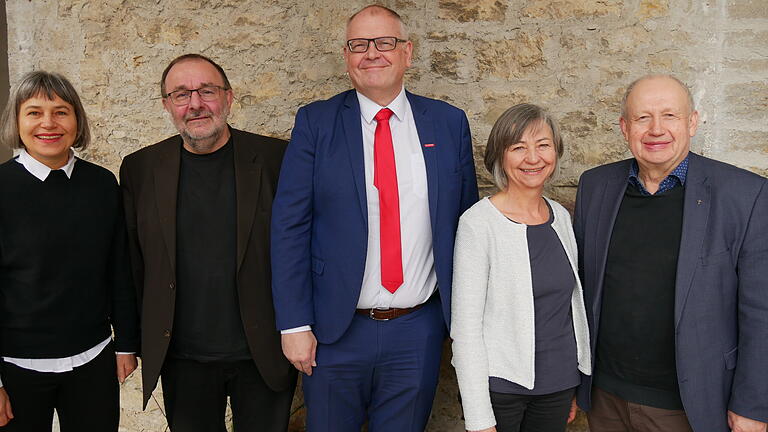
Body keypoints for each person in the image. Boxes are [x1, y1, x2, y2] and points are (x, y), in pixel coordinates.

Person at [271, 4, 478, 431]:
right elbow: (290, 226)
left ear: (407, 52)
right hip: (334, 331)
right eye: (359, 45)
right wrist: (294, 323)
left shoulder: (448, 123)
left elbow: (465, 226)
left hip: (416, 329)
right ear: (346, 56)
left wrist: (464, 324)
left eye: (384, 42)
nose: (372, 53)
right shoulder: (316, 122)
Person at [574, 74, 768, 432]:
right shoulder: (595, 187)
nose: (656, 129)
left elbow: (762, 311)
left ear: (692, 122)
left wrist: (754, 405)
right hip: (605, 398)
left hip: (691, 405)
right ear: (624, 127)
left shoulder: (746, 196)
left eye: (670, 116)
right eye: (642, 117)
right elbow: (579, 290)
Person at [119, 53, 296, 432]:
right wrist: (129, 342)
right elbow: (133, 263)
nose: (195, 103)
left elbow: (301, 249)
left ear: (229, 98)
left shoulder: (276, 159)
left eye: (207, 91)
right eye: (181, 94)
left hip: (263, 351)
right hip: (182, 357)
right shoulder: (141, 168)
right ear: (167, 105)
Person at [0, 71, 139, 431]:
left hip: (92, 359)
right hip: (16, 367)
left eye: (61, 111)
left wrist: (125, 343)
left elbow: (118, 269)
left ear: (77, 120)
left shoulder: (102, 184)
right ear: (17, 121)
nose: (48, 123)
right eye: (34, 112)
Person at [451, 104, 591, 432]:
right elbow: (466, 329)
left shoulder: (562, 218)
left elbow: (569, 308)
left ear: (555, 153)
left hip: (558, 385)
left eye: (543, 145)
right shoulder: (478, 224)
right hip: (502, 390)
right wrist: (479, 417)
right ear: (500, 157)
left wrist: (573, 384)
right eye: (518, 147)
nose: (533, 158)